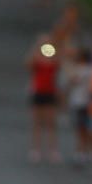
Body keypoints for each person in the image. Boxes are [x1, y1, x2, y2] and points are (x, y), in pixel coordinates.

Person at [26, 32, 61, 163]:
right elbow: (28, 65)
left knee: (51, 123)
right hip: (38, 91)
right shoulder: (36, 58)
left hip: (50, 92)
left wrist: (53, 48)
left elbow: (59, 64)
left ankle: (53, 150)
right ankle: (35, 149)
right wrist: (37, 48)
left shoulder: (53, 57)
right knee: (37, 122)